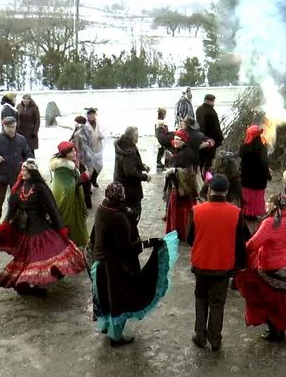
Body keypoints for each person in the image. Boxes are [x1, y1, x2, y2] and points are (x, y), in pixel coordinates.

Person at [0, 159, 87, 296]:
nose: (22, 172)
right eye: (22, 170)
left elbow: (52, 209)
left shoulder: (41, 188)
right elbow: (12, 208)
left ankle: (40, 285)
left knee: (41, 257)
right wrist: (5, 224)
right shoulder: (19, 187)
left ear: (32, 172)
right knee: (27, 258)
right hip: (25, 229)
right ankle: (29, 283)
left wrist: (60, 228)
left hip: (41, 230)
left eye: (25, 170)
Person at [90, 183, 179, 347]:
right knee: (119, 300)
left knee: (105, 297)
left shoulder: (102, 208)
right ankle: (116, 337)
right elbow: (125, 249)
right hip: (115, 266)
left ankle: (107, 327)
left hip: (100, 262)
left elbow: (95, 235)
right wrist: (147, 243)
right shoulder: (119, 218)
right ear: (122, 198)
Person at [188, 174, 249, 352]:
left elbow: (190, 238)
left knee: (201, 299)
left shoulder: (196, 210)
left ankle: (200, 335)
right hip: (223, 266)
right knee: (217, 303)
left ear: (209, 191)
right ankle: (215, 340)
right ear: (227, 192)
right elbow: (241, 242)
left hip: (201, 264)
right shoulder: (236, 213)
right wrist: (242, 264)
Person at [235, 193, 286, 342]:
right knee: (282, 298)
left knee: (267, 299)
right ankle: (281, 328)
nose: (266, 204)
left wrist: (240, 251)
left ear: (274, 206)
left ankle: (274, 331)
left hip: (270, 267)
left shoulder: (270, 223)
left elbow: (253, 244)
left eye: (269, 202)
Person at [0, 116, 31, 230]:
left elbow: (27, 153)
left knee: (18, 199)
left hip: (17, 175)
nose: (11, 130)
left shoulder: (21, 139)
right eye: (8, 127)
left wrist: (27, 164)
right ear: (3, 126)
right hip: (1, 175)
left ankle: (15, 221)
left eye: (13, 127)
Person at [50, 141, 89, 247]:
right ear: (65, 155)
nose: (74, 153)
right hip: (68, 203)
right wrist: (82, 179)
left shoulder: (70, 164)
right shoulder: (62, 169)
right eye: (71, 152)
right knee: (71, 226)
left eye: (74, 150)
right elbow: (66, 189)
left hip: (74, 200)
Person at [164, 130, 200, 240]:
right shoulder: (183, 152)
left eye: (178, 139)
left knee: (180, 211)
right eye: (174, 138)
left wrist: (175, 170)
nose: (175, 141)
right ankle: (184, 232)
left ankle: (181, 232)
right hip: (182, 187)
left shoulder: (185, 154)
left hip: (181, 188)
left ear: (184, 141)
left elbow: (189, 171)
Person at [113, 126, 151, 223]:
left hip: (121, 184)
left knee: (126, 212)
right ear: (132, 137)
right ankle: (131, 234)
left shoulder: (122, 145)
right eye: (137, 135)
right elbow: (130, 172)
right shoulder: (129, 152)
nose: (138, 137)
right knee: (134, 213)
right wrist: (145, 177)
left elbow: (129, 165)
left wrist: (142, 166)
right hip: (130, 189)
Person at [240, 125, 271, 221]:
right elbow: (264, 163)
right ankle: (254, 214)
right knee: (257, 196)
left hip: (246, 177)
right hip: (258, 179)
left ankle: (246, 213)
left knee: (247, 196)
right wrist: (268, 175)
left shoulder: (244, 147)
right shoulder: (262, 148)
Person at [195, 94, 224, 174]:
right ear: (210, 101)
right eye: (213, 101)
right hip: (210, 140)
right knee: (208, 163)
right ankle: (207, 179)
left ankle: (200, 176)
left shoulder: (198, 110)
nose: (214, 103)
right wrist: (220, 139)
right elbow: (215, 128)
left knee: (201, 161)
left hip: (200, 138)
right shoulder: (211, 112)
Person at [70, 116, 93, 209]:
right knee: (87, 181)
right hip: (88, 160)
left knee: (80, 182)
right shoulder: (87, 131)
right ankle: (88, 204)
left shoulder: (78, 134)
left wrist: (76, 162)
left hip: (81, 161)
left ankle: (82, 204)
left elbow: (77, 149)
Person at [78, 108, 105, 188]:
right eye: (89, 114)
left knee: (99, 166)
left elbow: (105, 131)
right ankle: (88, 185)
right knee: (89, 168)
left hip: (98, 147)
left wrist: (102, 136)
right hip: (87, 149)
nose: (91, 116)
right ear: (87, 115)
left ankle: (94, 179)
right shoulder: (84, 124)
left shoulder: (99, 123)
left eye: (92, 114)